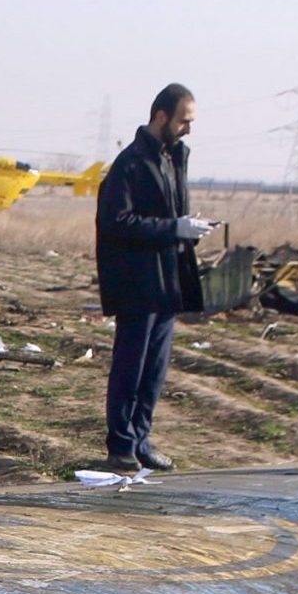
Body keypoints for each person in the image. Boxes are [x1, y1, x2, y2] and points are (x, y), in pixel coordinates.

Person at [95, 82, 211, 473]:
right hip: (137, 283)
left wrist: (188, 228)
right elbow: (116, 222)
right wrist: (172, 228)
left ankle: (141, 439)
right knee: (130, 366)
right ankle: (121, 445)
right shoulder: (129, 164)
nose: (188, 130)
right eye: (184, 121)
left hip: (168, 282)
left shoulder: (174, 158)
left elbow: (169, 213)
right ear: (161, 116)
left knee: (155, 369)